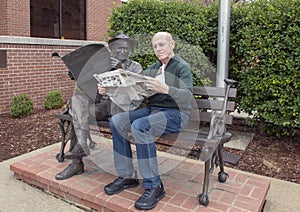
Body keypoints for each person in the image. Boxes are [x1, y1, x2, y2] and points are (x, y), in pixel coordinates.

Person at [98, 32, 193, 210]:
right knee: (117, 121)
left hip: (176, 113)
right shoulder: (153, 68)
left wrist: (166, 89)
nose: (158, 49)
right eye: (155, 46)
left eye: (162, 45)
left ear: (172, 44)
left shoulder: (182, 67)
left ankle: (154, 185)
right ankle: (127, 176)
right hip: (153, 110)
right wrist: (108, 89)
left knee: (140, 127)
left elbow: (188, 97)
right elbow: (133, 90)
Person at [55, 32, 143, 180]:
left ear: (130, 50)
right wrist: (77, 74)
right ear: (113, 49)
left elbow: (136, 92)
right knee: (77, 102)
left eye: (125, 48)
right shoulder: (102, 64)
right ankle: (80, 152)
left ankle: (123, 171)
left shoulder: (135, 67)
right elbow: (88, 85)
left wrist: (120, 68)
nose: (122, 51)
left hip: (119, 108)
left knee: (80, 116)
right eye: (118, 48)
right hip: (101, 106)